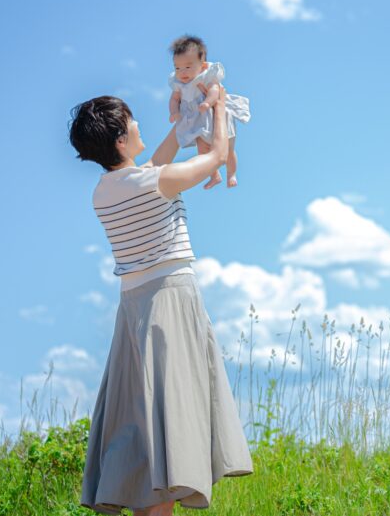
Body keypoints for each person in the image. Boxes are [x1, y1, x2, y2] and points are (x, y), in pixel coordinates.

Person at [69, 83, 253, 516]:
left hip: (133, 310)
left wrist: (186, 123)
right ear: (120, 138)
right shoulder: (156, 182)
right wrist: (220, 111)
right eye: (131, 121)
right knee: (170, 421)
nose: (137, 124)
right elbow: (215, 157)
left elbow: (152, 168)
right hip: (171, 301)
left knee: (143, 429)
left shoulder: (105, 192)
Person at [167, 35, 250, 189]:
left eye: (188, 66)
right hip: (199, 118)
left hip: (215, 114)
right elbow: (174, 99)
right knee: (203, 150)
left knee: (229, 149)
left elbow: (215, 90)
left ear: (203, 65)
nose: (182, 72)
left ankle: (231, 174)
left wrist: (207, 102)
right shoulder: (178, 83)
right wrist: (173, 112)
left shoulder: (206, 76)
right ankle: (214, 175)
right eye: (177, 67)